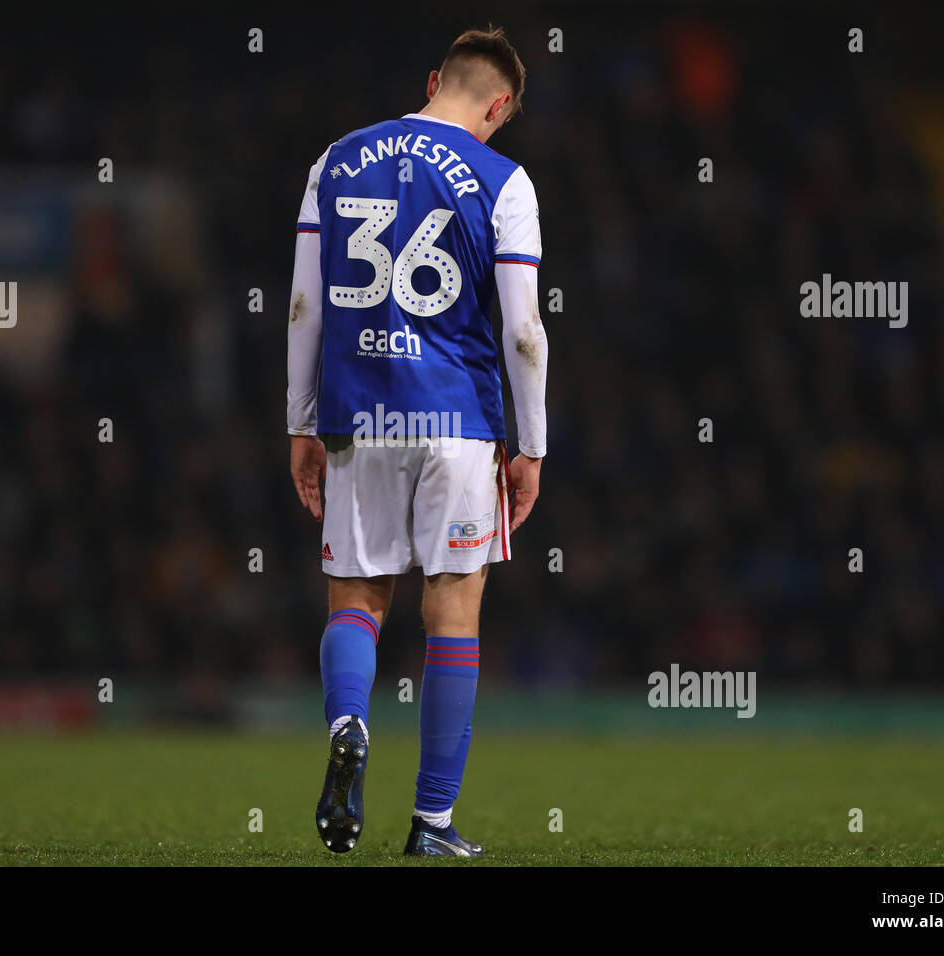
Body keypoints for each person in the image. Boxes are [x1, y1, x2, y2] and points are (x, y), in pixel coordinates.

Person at [286, 26, 548, 857]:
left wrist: (300, 420)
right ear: (498, 104)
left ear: (434, 78)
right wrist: (531, 444)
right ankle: (432, 823)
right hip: (459, 421)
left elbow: (302, 308)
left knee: (357, 601)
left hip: (359, 415)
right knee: (453, 611)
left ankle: (351, 722)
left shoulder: (335, 160)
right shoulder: (504, 180)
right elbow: (526, 332)